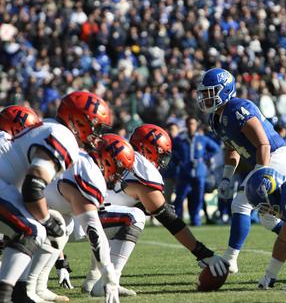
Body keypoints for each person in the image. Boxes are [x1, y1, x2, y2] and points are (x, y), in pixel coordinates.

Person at [82, 123, 228, 296]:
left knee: (121, 216)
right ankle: (109, 281)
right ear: (149, 150)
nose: (162, 161)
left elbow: (114, 198)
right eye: (162, 155)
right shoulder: (141, 168)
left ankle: (94, 277)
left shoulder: (116, 151)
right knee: (133, 218)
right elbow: (169, 220)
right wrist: (203, 253)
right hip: (83, 219)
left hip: (72, 213)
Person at [0, 91, 115, 303]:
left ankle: (18, 292)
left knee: (30, 227)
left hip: (5, 184)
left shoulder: (49, 127)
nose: (97, 134)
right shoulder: (63, 136)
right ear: (78, 121)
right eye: (95, 126)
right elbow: (33, 187)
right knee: (32, 230)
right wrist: (46, 220)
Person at [196, 67, 286, 273]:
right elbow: (231, 147)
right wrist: (226, 177)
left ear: (224, 90)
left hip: (276, 156)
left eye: (210, 92)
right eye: (204, 93)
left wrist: (260, 174)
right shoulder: (216, 118)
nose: (205, 97)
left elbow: (264, 144)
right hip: (267, 158)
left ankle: (230, 259)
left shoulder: (237, 108)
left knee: (241, 203)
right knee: (269, 218)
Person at [26, 134, 135, 302]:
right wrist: (108, 271)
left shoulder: (85, 161)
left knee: (64, 225)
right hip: (18, 204)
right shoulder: (88, 172)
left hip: (34, 204)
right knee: (58, 224)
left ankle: (39, 286)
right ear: (107, 160)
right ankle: (27, 286)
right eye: (119, 169)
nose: (119, 176)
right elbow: (93, 228)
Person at [172, 116, 220, 226]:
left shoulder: (201, 139)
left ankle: (196, 219)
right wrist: (178, 160)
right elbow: (171, 151)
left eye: (192, 124)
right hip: (185, 173)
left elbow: (215, 148)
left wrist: (204, 158)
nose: (190, 126)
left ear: (196, 125)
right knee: (180, 197)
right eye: (188, 124)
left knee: (198, 197)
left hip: (199, 173)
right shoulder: (180, 139)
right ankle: (176, 221)